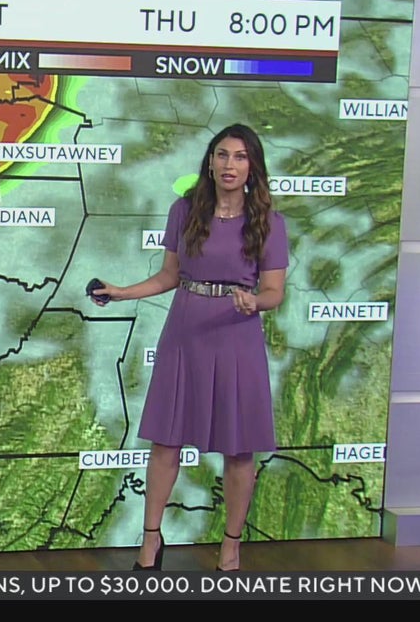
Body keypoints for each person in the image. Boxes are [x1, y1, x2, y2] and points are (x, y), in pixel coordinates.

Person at [90, 123, 289, 571]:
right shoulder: (185, 210)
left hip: (236, 335)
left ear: (253, 167)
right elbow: (169, 276)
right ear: (210, 162)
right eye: (222, 155)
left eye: (240, 157)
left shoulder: (269, 223)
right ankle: (150, 541)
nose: (229, 164)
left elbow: (275, 291)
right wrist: (121, 292)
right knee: (166, 440)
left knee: (239, 448)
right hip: (185, 331)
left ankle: (231, 545)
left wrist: (255, 301)